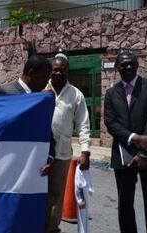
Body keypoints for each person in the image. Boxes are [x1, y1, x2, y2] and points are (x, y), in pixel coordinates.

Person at [104, 51, 147, 233]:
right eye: (123, 64)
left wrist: (143, 153)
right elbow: (110, 122)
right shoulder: (110, 93)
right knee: (124, 204)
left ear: (137, 65)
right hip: (123, 153)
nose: (128, 67)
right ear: (117, 68)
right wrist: (134, 138)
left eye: (132, 63)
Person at [45, 53, 91, 233]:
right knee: (38, 195)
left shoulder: (76, 95)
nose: (57, 73)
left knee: (56, 197)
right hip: (39, 154)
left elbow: (83, 124)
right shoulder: (41, 89)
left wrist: (85, 151)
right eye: (54, 70)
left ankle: (51, 229)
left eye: (61, 70)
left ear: (67, 71)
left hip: (62, 155)